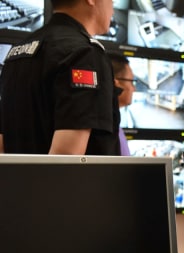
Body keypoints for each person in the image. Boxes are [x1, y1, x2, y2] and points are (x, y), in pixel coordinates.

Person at [0, 0, 120, 155]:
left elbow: (2, 145)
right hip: (74, 180)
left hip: (17, 178)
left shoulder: (16, 52)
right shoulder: (84, 54)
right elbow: (66, 157)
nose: (113, 8)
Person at [109, 53, 135, 155]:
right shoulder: (107, 131)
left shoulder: (115, 125)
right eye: (132, 82)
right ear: (116, 83)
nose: (134, 89)